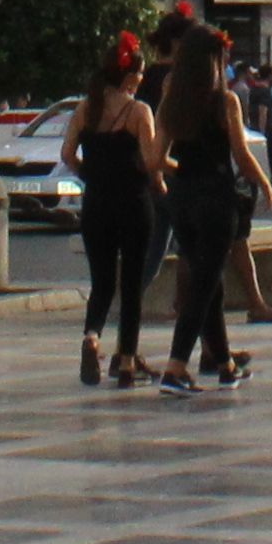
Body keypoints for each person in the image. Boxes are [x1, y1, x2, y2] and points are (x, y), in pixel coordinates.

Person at [157, 28, 270, 393]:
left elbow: (153, 159)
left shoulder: (171, 101)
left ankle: (224, 364)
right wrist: (266, 184)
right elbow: (241, 154)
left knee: (210, 285)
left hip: (181, 199)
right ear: (215, 61)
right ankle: (175, 367)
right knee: (203, 286)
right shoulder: (225, 102)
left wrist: (182, 171)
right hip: (216, 199)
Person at [68, 34, 167, 390]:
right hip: (134, 203)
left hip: (96, 204)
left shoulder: (85, 109)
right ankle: (126, 361)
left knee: (102, 282)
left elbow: (67, 155)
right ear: (129, 78)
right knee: (131, 284)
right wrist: (163, 180)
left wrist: (90, 174)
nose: (141, 82)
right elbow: (152, 160)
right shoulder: (139, 111)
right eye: (139, 76)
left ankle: (91, 337)